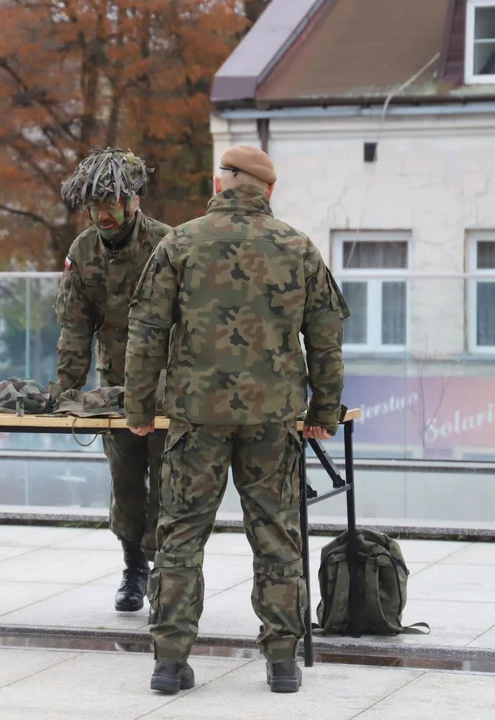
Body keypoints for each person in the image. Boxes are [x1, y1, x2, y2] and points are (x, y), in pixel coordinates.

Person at [124, 146, 348, 694]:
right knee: (277, 535)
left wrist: (137, 408)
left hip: (196, 418)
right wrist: (324, 411)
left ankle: (169, 663)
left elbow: (146, 329)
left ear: (220, 185)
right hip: (273, 419)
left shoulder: (181, 241)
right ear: (267, 191)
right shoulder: (297, 247)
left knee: (180, 535)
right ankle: (281, 664)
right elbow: (326, 338)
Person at [53, 148, 174, 616]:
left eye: (113, 202)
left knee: (167, 481)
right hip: (115, 387)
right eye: (95, 205)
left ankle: (165, 570)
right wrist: (65, 392)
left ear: (135, 200)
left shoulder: (169, 245)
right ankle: (133, 567)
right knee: (125, 479)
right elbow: (75, 328)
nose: (104, 213)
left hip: (167, 386)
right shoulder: (83, 252)